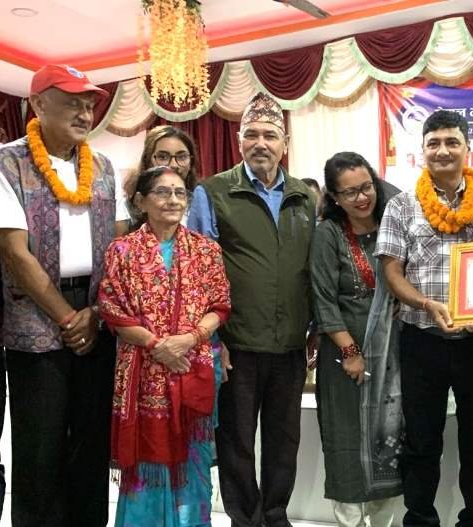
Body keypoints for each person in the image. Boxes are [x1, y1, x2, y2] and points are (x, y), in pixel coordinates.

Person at [0, 64, 130, 527]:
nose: (84, 113)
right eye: (72, 102)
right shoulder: (7, 163)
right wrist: (68, 317)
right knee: (41, 445)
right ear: (38, 103)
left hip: (96, 314)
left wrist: (94, 311)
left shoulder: (104, 166)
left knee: (91, 441)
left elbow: (120, 244)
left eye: (89, 104)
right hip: (35, 317)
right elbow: (14, 253)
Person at [188, 92, 317, 527]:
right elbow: (199, 271)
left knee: (284, 441)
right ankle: (244, 520)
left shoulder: (303, 197)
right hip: (236, 344)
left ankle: (276, 517)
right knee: (236, 441)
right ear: (239, 140)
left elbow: (310, 268)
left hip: (290, 344)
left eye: (270, 135)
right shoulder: (213, 192)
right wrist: (214, 340)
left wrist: (315, 327)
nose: (261, 143)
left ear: (285, 144)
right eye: (252, 135)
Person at [375, 110, 473, 526]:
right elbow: (392, 271)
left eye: (452, 142)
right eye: (434, 143)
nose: (443, 150)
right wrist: (425, 305)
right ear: (423, 150)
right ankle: (420, 518)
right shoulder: (401, 206)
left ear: (468, 148)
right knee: (420, 441)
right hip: (422, 341)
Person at [98, 165, 231, 526]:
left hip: (194, 366)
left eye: (179, 192)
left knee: (193, 461)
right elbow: (112, 308)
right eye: (162, 192)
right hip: (143, 373)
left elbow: (220, 306)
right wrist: (158, 345)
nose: (173, 200)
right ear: (141, 201)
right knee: (147, 465)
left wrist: (189, 339)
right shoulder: (122, 250)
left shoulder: (206, 250)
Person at [310, 152, 404, 526]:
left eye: (366, 187)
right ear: (334, 198)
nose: (362, 198)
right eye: (349, 193)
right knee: (347, 443)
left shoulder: (393, 225)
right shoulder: (328, 234)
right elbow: (323, 299)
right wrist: (350, 351)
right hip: (344, 359)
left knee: (391, 439)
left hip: (393, 356)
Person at [118, 125, 201, 234]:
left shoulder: (203, 201)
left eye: (181, 157)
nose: (173, 165)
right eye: (163, 157)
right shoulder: (128, 207)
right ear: (147, 160)